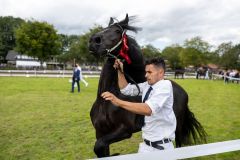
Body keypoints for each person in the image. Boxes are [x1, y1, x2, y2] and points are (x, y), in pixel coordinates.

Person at [101, 57, 176, 153]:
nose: (146, 75)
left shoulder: (165, 85)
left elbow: (148, 109)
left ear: (161, 73)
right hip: (146, 146)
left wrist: (118, 102)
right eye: (146, 72)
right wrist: (120, 71)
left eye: (149, 72)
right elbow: (126, 89)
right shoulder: (148, 85)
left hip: (162, 148)